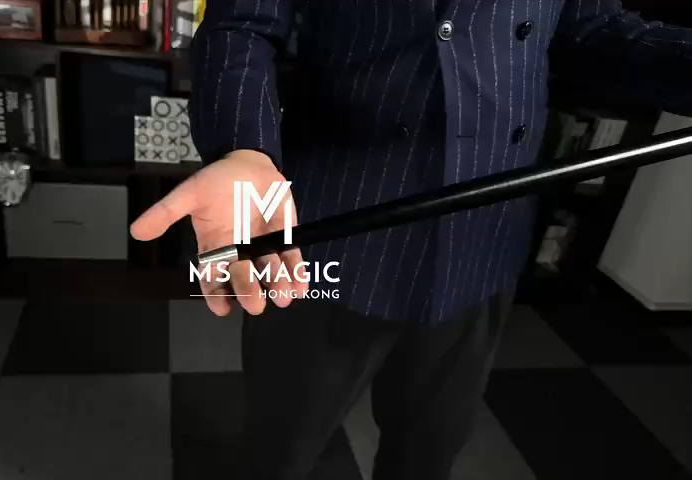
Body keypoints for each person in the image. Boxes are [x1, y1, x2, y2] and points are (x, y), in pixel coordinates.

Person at [131, 1, 692, 478]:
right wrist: (243, 146)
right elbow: (241, 23)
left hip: (483, 238)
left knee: (429, 451)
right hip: (333, 228)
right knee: (282, 444)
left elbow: (590, 28)